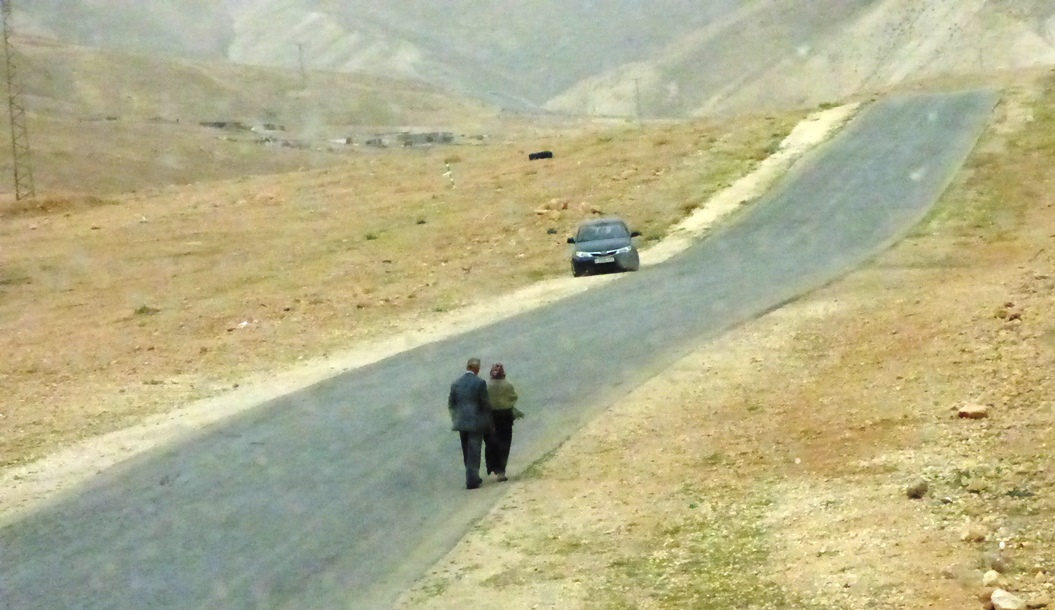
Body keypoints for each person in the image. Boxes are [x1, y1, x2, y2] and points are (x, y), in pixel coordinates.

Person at [448, 357, 493, 490]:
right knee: (474, 450)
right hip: (475, 423)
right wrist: (488, 422)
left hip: (461, 422)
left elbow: (451, 404)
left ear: (467, 367)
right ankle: (472, 480)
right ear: (477, 369)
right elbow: (485, 405)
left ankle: (471, 475)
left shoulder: (456, 383)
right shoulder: (480, 383)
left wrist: (455, 417)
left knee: (466, 450)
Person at [484, 363, 521, 482]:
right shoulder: (507, 385)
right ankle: (501, 471)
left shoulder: (486, 385)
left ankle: (492, 466)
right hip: (505, 416)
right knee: (505, 443)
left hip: (490, 416)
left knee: (491, 442)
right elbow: (514, 397)